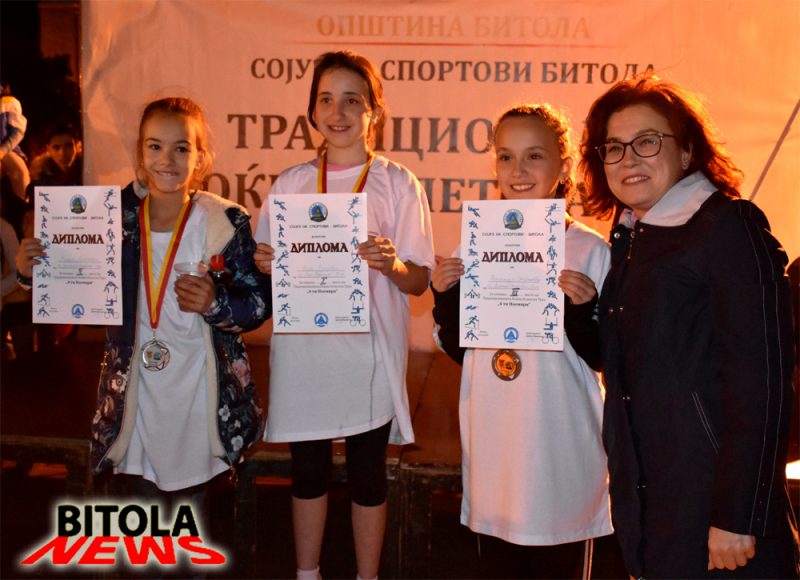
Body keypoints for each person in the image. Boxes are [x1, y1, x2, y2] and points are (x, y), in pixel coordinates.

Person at [580, 73, 798, 578]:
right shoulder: (633, 238)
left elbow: (763, 383)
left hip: (721, 522)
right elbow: (630, 366)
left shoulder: (728, 227)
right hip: (658, 510)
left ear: (686, 152)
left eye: (647, 141)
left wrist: (737, 516)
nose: (628, 159)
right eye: (614, 147)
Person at [16, 97, 271, 499]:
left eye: (181, 148)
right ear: (139, 153)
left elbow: (258, 304)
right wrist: (32, 270)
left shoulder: (223, 224)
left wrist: (215, 303)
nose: (166, 159)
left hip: (200, 402)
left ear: (200, 158)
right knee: (139, 519)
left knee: (193, 522)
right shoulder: (108, 219)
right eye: (155, 146)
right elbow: (71, 288)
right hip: (133, 401)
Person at [253, 50, 434, 580]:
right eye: (326, 100)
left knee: (367, 476)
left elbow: (419, 280)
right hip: (304, 355)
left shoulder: (398, 183)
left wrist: (392, 264)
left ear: (375, 111)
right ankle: (306, 573)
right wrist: (264, 262)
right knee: (307, 471)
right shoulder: (290, 184)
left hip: (367, 356)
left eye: (353, 100)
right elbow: (265, 266)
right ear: (312, 111)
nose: (338, 112)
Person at [431, 104, 612, 579]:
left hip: (560, 451)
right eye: (506, 157)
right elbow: (461, 350)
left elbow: (608, 357)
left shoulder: (591, 249)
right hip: (497, 450)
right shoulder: (473, 245)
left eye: (534, 156)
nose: (518, 170)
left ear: (564, 166)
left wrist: (580, 313)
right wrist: (446, 300)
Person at [0, 82, 30, 202]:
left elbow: (17, 132)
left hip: (5, 149)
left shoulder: (8, 101)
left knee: (20, 172)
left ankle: (25, 208)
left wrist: (3, 150)